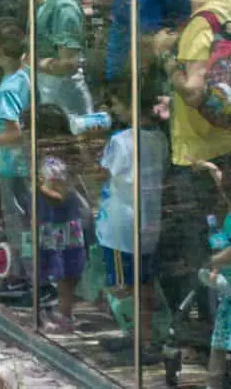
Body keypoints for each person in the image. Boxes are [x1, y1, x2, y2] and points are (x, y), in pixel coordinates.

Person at [154, 0, 231, 320]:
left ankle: (213, 329)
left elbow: (193, 91)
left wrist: (165, 56)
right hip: (226, 143)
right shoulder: (225, 15)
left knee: (205, 245)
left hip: (200, 157)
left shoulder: (200, 24)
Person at [95, 78, 170, 361]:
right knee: (145, 283)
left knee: (123, 285)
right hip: (149, 223)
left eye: (116, 104)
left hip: (120, 227)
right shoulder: (160, 139)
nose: (113, 110)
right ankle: (145, 338)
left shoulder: (119, 141)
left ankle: (139, 340)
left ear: (130, 107)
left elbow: (103, 174)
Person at [0, 16, 32, 294]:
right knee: (25, 221)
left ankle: (21, 279)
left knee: (18, 223)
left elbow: (17, 134)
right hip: (23, 165)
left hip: (12, 166)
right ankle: (26, 275)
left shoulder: (7, 89)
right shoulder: (24, 76)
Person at [34, 153, 87, 333]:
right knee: (53, 276)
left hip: (67, 237)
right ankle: (58, 314)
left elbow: (62, 198)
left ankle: (65, 314)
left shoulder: (66, 195)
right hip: (55, 237)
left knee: (67, 277)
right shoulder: (44, 194)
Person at [204, 174, 231, 389]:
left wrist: (212, 261)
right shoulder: (230, 217)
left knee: (223, 338)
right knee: (223, 336)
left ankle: (214, 382)